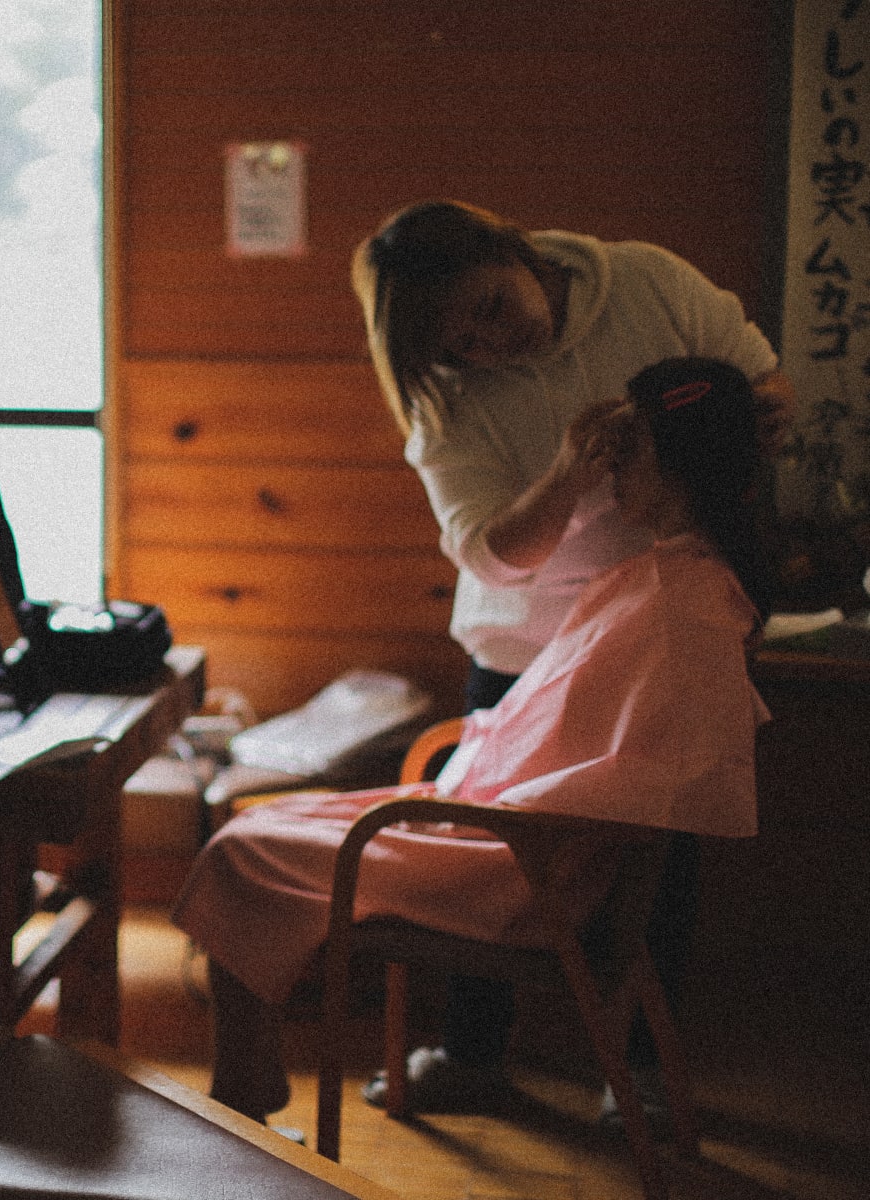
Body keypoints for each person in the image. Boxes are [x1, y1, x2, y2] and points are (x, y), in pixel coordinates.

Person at [174, 357, 770, 1125]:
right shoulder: (664, 582)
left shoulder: (685, 607)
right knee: (253, 826)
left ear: (679, 466)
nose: (614, 469)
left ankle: (241, 1099)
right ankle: (248, 1091)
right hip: (501, 829)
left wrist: (474, 802)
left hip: (525, 863)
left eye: (632, 450)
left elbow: (656, 780)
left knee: (241, 853)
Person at [347, 200, 790, 1103]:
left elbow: (764, 390)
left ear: (512, 249)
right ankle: (472, 1056)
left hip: (660, 626)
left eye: (489, 309)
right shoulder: (447, 397)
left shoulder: (647, 282)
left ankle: (641, 1074)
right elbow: (486, 551)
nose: (486, 347)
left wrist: (707, 431)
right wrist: (566, 474)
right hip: (531, 644)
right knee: (492, 844)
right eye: (459, 345)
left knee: (655, 860)